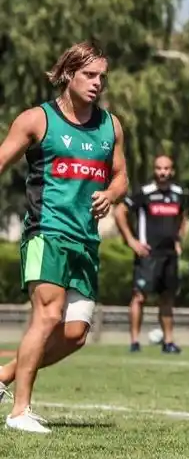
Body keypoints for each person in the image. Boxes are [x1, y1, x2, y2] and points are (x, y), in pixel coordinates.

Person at [0, 42, 129, 433]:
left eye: (102, 76)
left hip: (85, 242)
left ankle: (3, 375)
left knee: (74, 334)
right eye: (90, 75)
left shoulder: (111, 126)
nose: (98, 83)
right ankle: (19, 412)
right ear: (67, 74)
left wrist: (111, 194)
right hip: (47, 232)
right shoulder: (36, 120)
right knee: (49, 315)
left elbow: (122, 176)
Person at [113, 155, 187, 354]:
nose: (162, 172)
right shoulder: (144, 193)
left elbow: (183, 217)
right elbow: (119, 212)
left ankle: (169, 342)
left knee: (167, 298)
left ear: (172, 171)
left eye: (166, 168)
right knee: (139, 297)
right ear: (154, 170)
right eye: (159, 168)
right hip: (148, 255)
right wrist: (131, 241)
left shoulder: (179, 194)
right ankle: (135, 342)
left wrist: (179, 240)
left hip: (169, 255)